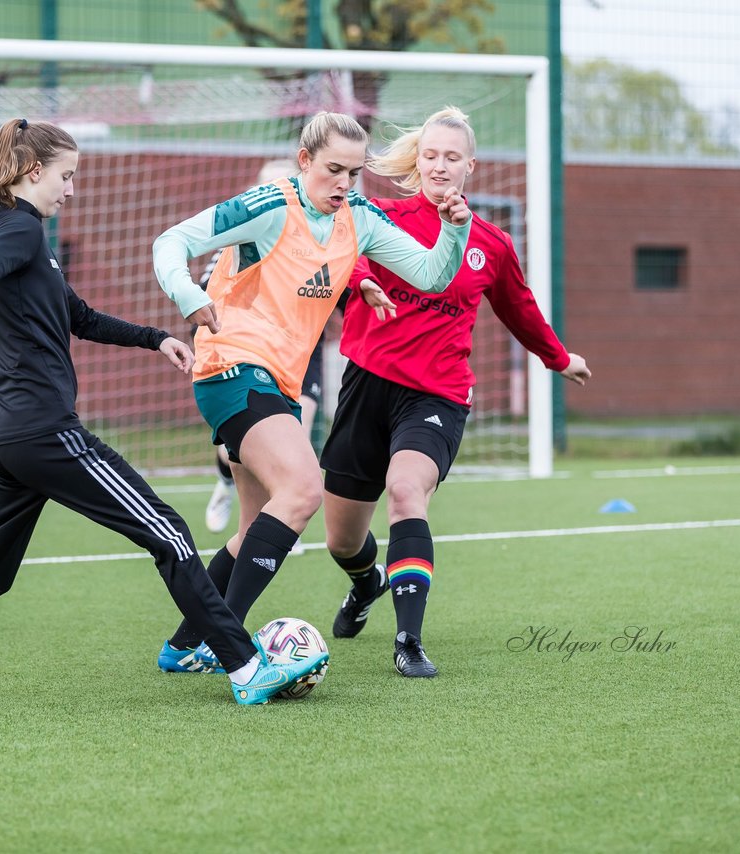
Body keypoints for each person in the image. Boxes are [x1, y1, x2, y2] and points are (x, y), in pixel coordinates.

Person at [0, 118, 326, 705]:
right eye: (65, 177)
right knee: (169, 533)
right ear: (31, 172)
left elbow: (81, 317)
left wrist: (155, 338)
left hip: (9, 436)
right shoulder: (15, 232)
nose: (71, 189)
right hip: (44, 432)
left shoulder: (29, 239)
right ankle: (247, 669)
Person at [153, 110, 473, 673]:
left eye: (354, 173)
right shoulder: (270, 205)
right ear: (305, 162)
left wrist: (453, 228)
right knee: (303, 491)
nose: (344, 184)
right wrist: (186, 295)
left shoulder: (358, 218)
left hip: (278, 380)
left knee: (257, 525)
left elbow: (431, 274)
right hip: (231, 366)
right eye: (333, 170)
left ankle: (182, 645)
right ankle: (228, 648)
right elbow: (171, 242)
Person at [321, 107, 592, 678]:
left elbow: (520, 309)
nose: (440, 166)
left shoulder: (490, 243)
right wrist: (361, 281)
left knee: (405, 491)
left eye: (451, 157)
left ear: (470, 165)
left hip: (436, 397)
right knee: (342, 539)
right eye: (430, 155)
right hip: (366, 385)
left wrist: (558, 358)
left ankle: (409, 641)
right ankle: (366, 581)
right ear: (418, 161)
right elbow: (338, 260)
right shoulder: (382, 218)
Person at [198, 159, 324, 549]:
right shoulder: (234, 247)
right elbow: (203, 305)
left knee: (297, 440)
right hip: (245, 357)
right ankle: (228, 485)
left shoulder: (314, 243)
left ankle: (282, 517)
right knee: (238, 456)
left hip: (299, 358)